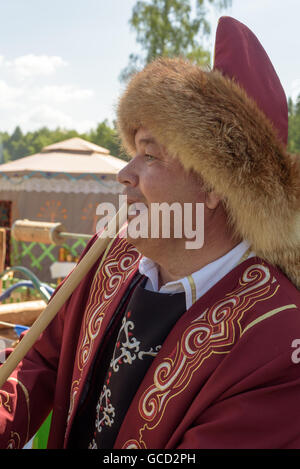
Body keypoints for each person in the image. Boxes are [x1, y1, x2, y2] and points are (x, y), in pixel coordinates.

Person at [1, 16, 300, 450]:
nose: (125, 173)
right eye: (132, 150)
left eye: (150, 155)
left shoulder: (278, 338)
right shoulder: (107, 256)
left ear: (217, 183)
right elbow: (39, 360)